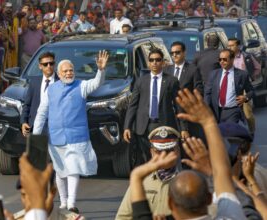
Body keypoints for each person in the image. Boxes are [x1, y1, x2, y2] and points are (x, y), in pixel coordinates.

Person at [129, 88, 247, 220]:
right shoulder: (230, 216)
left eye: (169, 150)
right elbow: (222, 175)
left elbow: (139, 211)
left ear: (170, 204)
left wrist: (137, 175)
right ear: (209, 198)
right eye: (160, 151)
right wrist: (209, 122)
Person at [33, 50, 109, 213]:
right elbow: (42, 113)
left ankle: (72, 204)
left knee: (73, 168)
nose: (69, 73)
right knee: (60, 172)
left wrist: (101, 70)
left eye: (71, 70)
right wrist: (36, 135)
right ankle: (63, 200)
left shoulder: (81, 86)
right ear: (59, 74)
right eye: (65, 71)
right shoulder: (51, 90)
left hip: (77, 137)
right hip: (56, 137)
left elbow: (96, 83)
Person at [124, 48, 188, 164]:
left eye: (158, 60)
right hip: (144, 127)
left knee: (163, 160)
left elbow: (179, 106)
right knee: (147, 160)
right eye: (151, 60)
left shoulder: (171, 81)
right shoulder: (141, 81)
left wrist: (183, 128)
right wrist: (127, 127)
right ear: (148, 62)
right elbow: (133, 106)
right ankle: (149, 181)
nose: (154, 63)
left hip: (164, 126)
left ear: (163, 62)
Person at [116, 126, 182, 219]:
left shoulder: (187, 182)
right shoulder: (141, 181)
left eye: (169, 150)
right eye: (159, 151)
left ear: (178, 151)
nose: (164, 155)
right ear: (152, 152)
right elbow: (123, 217)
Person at [164, 41, 204, 141]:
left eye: (177, 52)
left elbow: (199, 91)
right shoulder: (167, 70)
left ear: (184, 53)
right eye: (172, 53)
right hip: (169, 115)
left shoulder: (193, 70)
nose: (174, 55)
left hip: (186, 114)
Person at [204, 49, 254, 124]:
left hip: (232, 111)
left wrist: (245, 97)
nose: (221, 62)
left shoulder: (242, 75)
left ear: (232, 59)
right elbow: (207, 93)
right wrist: (207, 109)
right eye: (220, 59)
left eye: (224, 59)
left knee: (229, 133)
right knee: (218, 134)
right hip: (216, 111)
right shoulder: (213, 74)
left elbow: (251, 91)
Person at [227, 37, 261, 134]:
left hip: (244, 89)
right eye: (228, 45)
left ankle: (251, 131)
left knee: (247, 113)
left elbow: (257, 68)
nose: (230, 47)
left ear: (238, 46)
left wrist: (251, 77)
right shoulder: (226, 58)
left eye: (232, 45)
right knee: (232, 112)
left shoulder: (246, 56)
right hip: (231, 87)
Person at [21, 52, 58, 137]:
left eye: (51, 63)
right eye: (45, 64)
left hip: (55, 129)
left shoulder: (61, 82)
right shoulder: (34, 82)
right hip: (35, 126)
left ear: (54, 64)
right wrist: (23, 122)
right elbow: (27, 104)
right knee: (35, 150)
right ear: (40, 66)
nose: (49, 66)